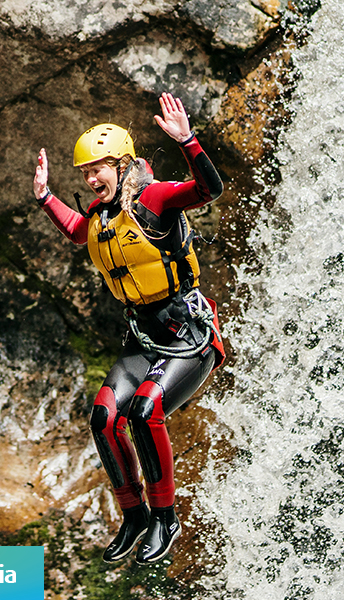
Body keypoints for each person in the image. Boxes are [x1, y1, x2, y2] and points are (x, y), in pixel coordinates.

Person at [33, 92, 225, 564]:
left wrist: (189, 142)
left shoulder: (154, 197)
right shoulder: (101, 215)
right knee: (103, 418)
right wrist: (45, 197)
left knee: (143, 412)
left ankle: (165, 518)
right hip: (143, 338)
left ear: (122, 165)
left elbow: (207, 191)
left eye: (98, 168)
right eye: (84, 172)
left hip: (189, 335)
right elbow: (78, 231)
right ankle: (134, 516)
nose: (91, 178)